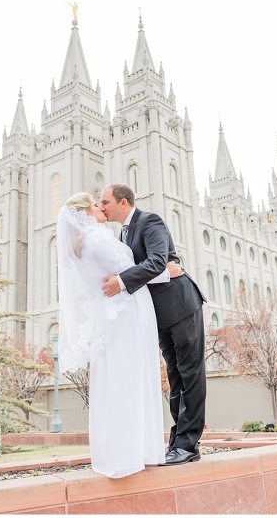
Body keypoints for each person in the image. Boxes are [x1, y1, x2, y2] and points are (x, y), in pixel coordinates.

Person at [57, 192, 171, 478]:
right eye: (96, 205)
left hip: (115, 310)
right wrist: (167, 271)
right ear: (85, 213)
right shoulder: (98, 239)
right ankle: (134, 453)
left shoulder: (83, 245)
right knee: (131, 376)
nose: (101, 208)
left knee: (119, 377)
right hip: (126, 310)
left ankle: (124, 451)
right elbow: (128, 272)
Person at [99, 184, 207, 465]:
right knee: (175, 377)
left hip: (181, 306)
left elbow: (158, 261)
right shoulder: (122, 234)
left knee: (190, 374)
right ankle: (178, 441)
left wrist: (121, 282)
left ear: (123, 202)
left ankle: (188, 444)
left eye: (105, 201)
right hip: (159, 316)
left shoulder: (149, 221)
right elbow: (159, 268)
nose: (102, 207)